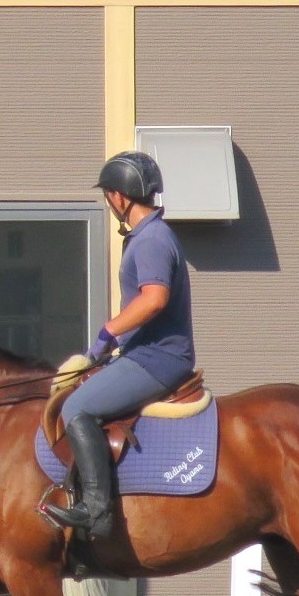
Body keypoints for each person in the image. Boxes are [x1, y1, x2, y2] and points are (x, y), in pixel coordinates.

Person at [45, 150, 195, 541]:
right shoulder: (150, 235)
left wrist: (108, 332)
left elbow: (154, 298)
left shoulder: (150, 240)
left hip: (159, 359)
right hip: (142, 352)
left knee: (77, 406)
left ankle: (97, 508)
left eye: (108, 195)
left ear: (120, 198)